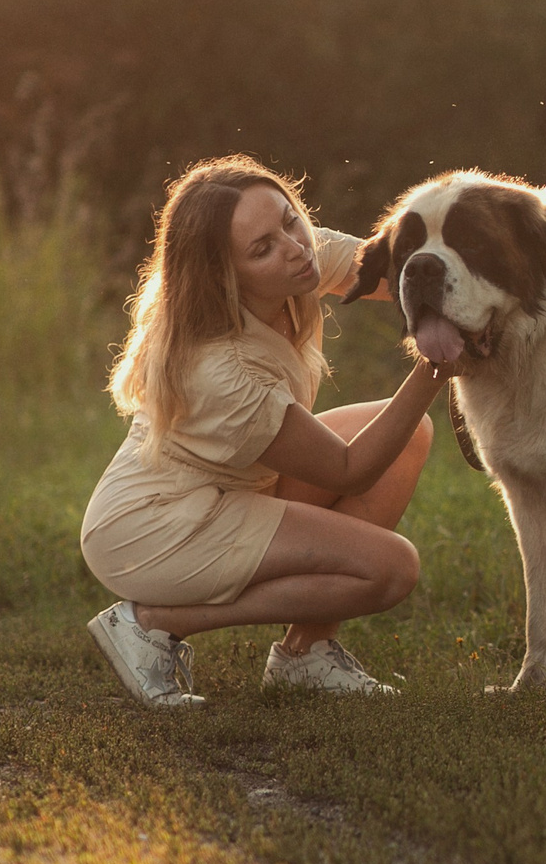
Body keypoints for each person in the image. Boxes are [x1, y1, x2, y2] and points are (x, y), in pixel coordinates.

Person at [79, 155, 445, 707]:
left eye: (289, 220)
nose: (295, 246)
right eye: (262, 248)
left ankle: (306, 656)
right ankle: (150, 620)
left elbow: (396, 272)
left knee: (407, 435)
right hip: (153, 528)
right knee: (391, 570)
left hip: (231, 487)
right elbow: (349, 469)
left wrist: (530, 255)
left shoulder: (297, 256)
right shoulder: (222, 369)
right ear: (225, 276)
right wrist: (436, 361)